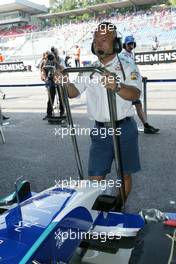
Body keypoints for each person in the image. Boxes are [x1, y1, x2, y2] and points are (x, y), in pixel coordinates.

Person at [55, 22, 142, 211]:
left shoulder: (127, 65)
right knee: (95, 178)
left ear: (116, 43)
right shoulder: (90, 69)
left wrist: (117, 86)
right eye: (96, 40)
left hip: (124, 128)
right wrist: (64, 80)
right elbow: (72, 93)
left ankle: (120, 207)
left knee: (124, 175)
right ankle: (95, 214)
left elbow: (135, 94)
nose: (99, 44)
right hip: (100, 130)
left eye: (104, 40)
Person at [122, 35, 160, 134]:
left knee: (138, 106)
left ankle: (146, 126)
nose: (131, 45)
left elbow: (133, 70)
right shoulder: (122, 56)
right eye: (129, 44)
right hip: (127, 87)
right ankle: (122, 129)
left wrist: (140, 77)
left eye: (132, 44)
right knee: (126, 108)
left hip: (132, 86)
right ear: (124, 45)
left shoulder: (131, 54)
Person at [40, 48, 65, 120]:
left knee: (61, 96)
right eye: (52, 53)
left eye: (54, 53)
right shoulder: (49, 59)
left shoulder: (61, 59)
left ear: (57, 53)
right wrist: (46, 61)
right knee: (51, 96)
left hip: (59, 78)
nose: (53, 55)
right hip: (51, 78)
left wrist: (55, 62)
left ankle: (62, 112)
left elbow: (63, 68)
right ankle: (49, 113)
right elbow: (43, 69)